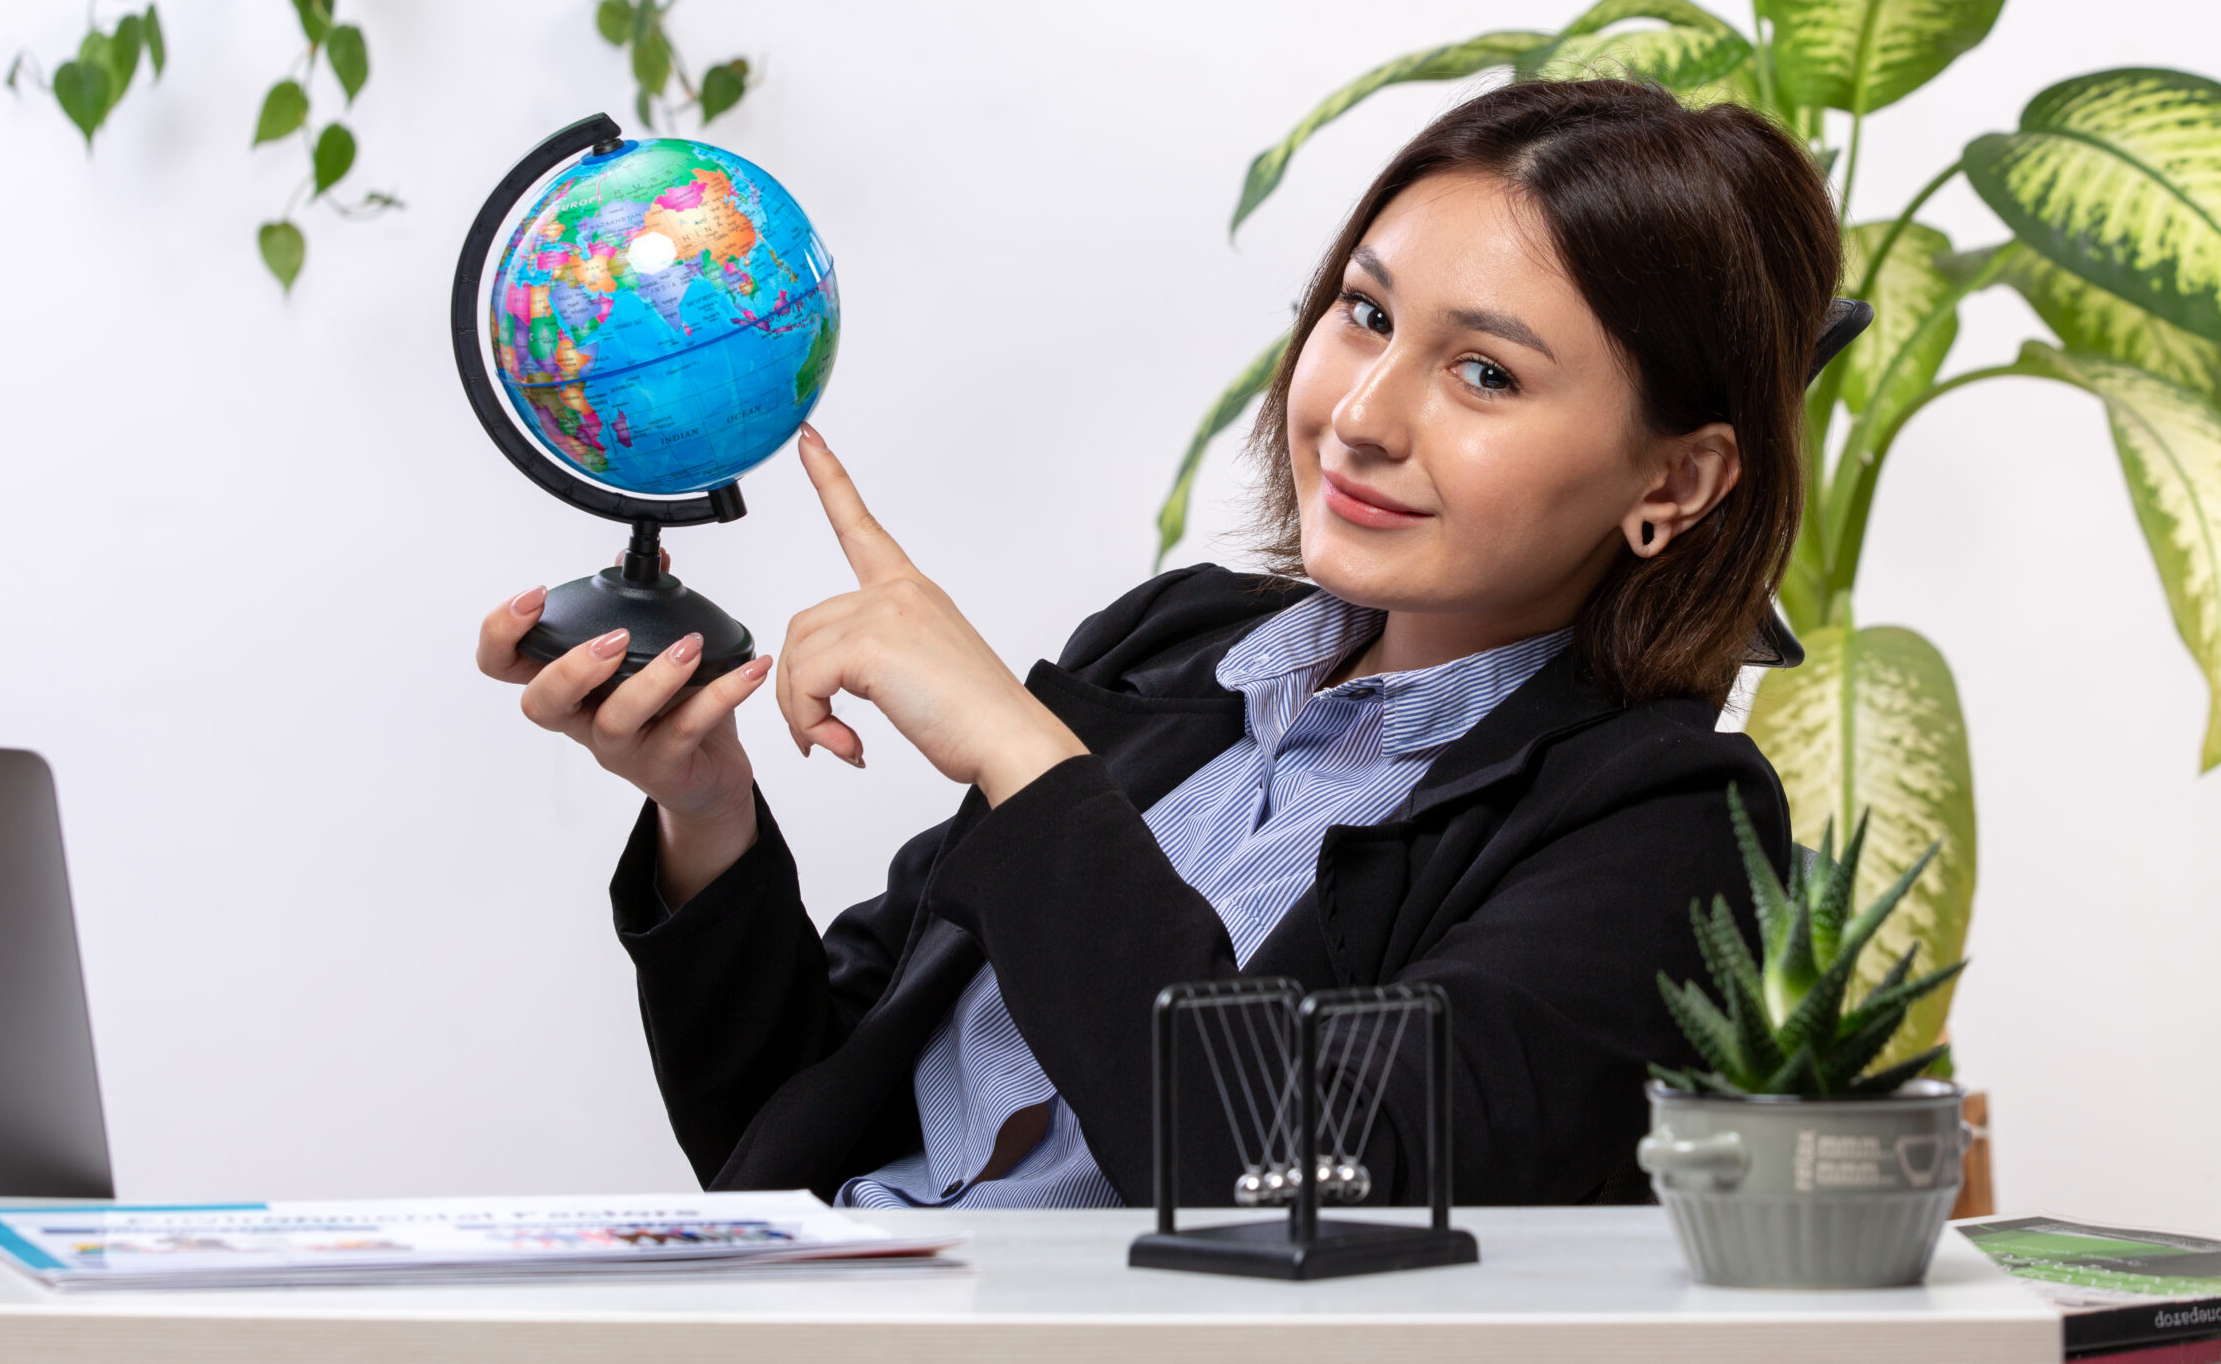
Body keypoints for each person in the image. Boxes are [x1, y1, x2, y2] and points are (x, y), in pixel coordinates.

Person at [478, 78, 1845, 1207]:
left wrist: (1027, 757)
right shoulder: (1169, 652)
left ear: (1676, 483)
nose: (1361, 413)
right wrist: (705, 808)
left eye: (1484, 373)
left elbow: (1309, 1183)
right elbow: (786, 1136)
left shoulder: (1667, 828)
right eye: (1364, 315)